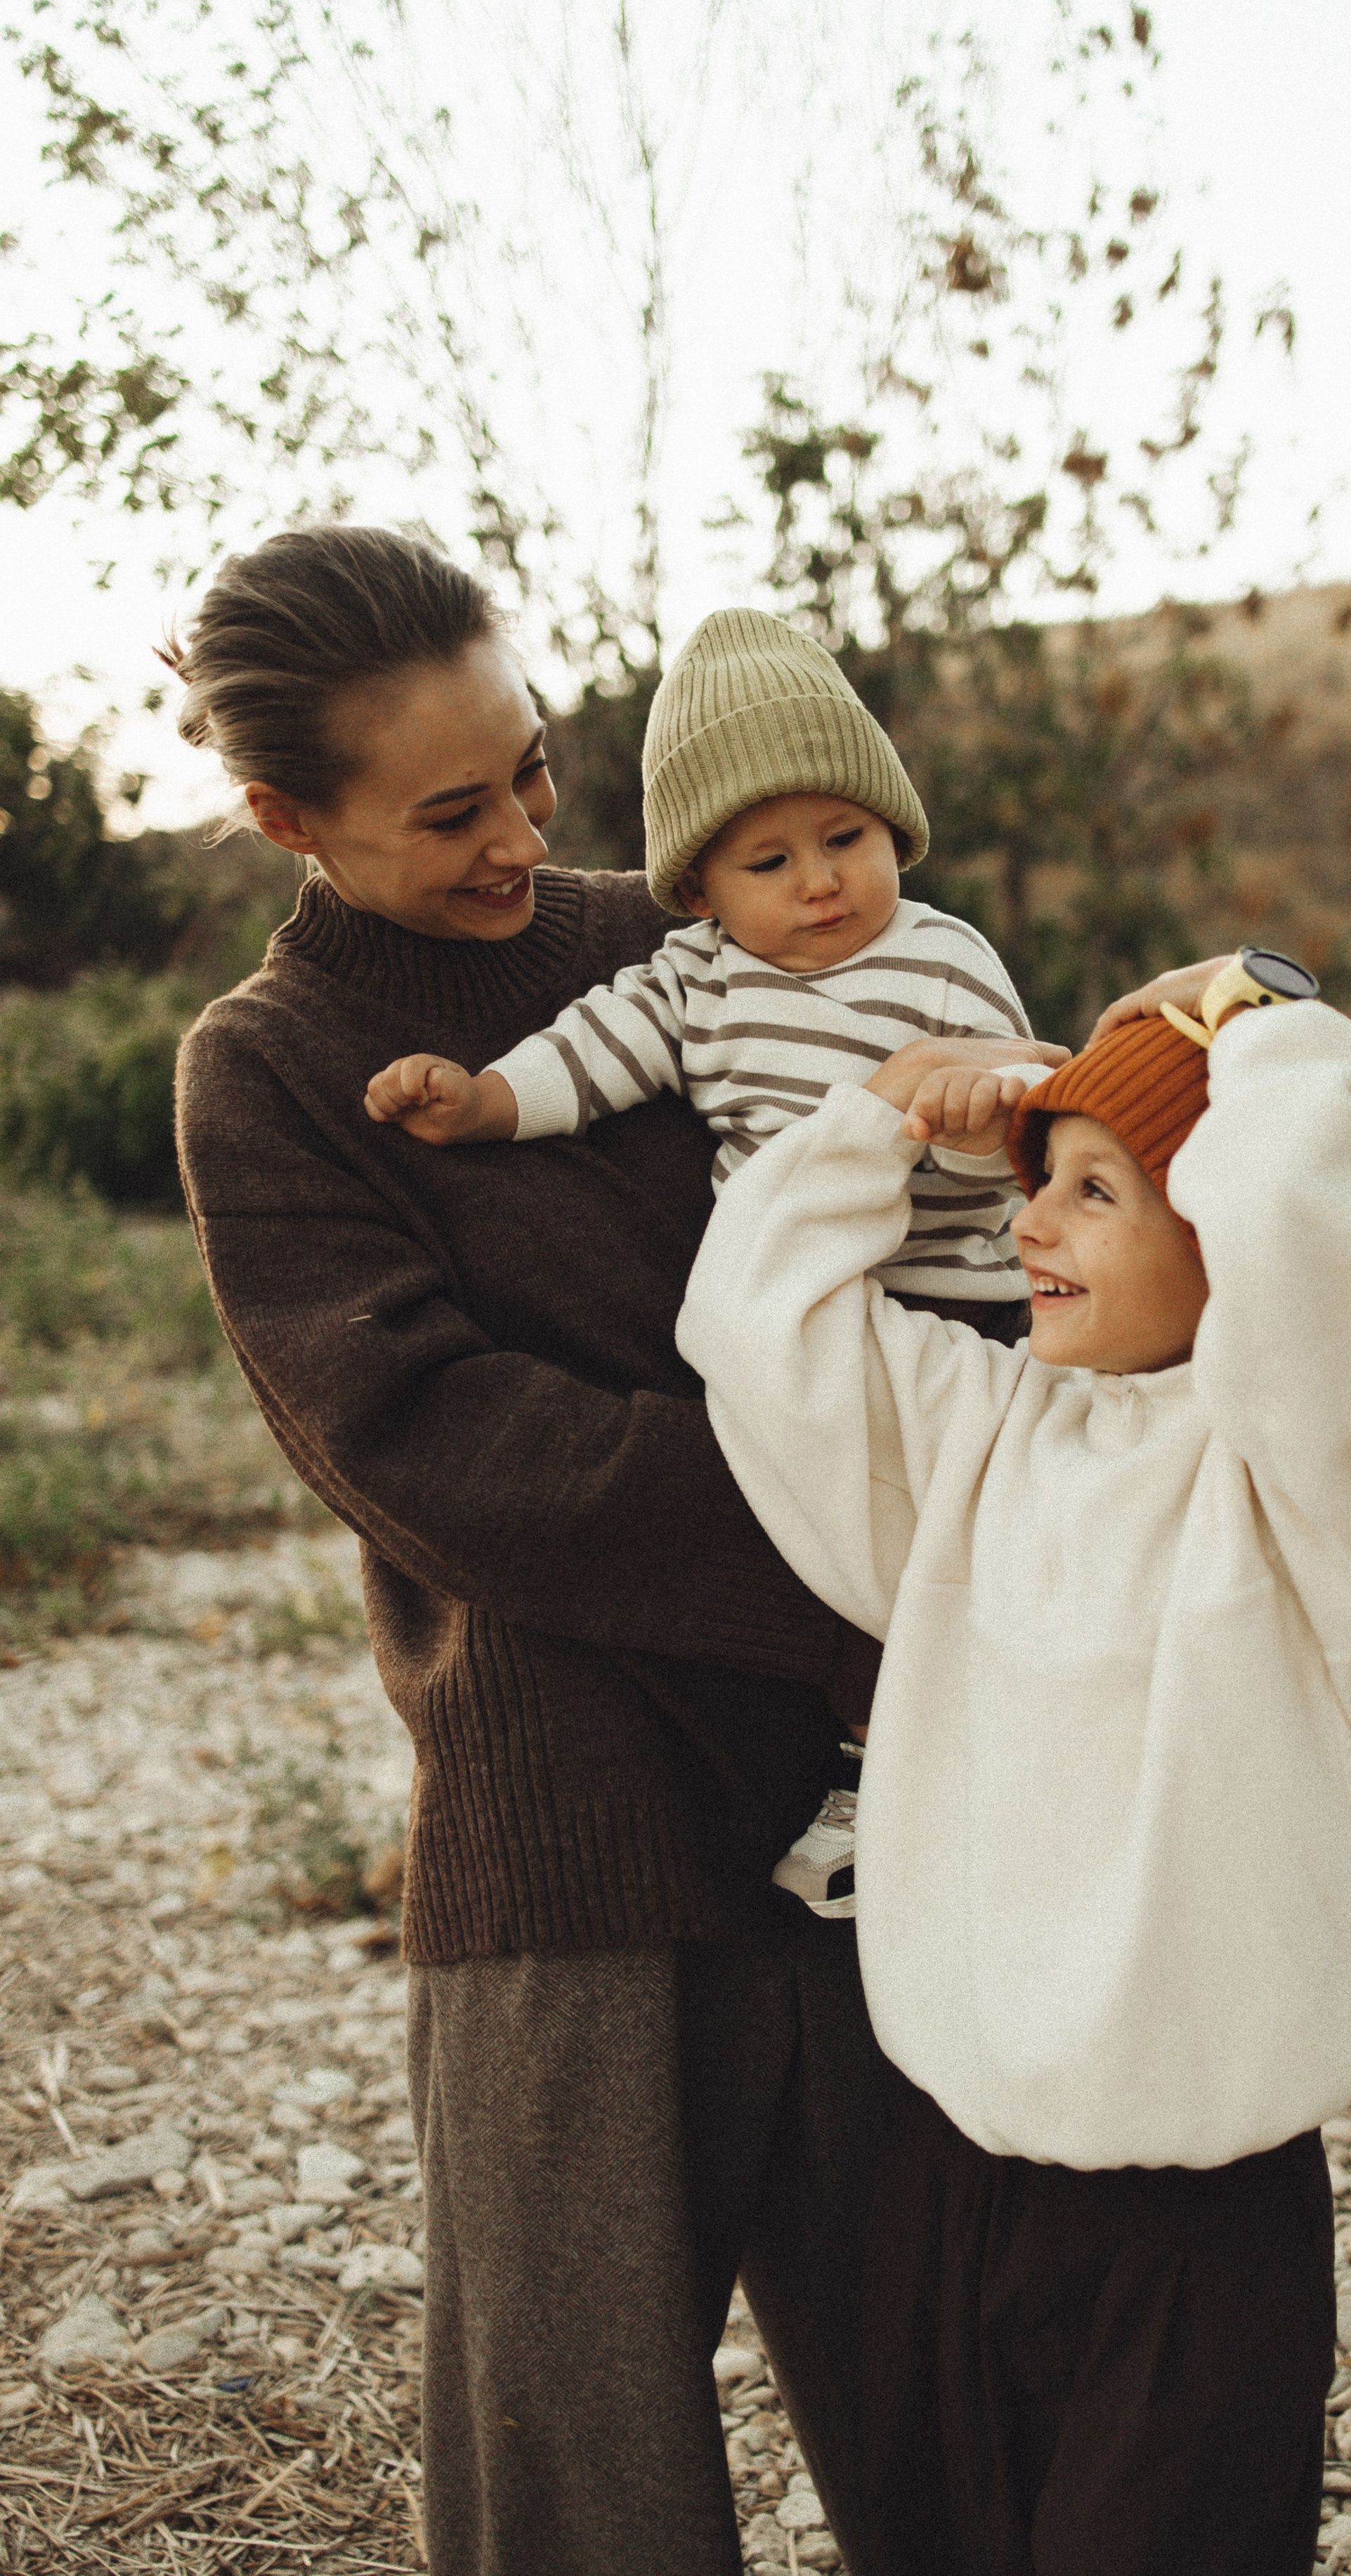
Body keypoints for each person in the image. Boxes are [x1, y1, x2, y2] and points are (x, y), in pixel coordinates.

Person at [168, 523, 1061, 2576]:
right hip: (572, 1833)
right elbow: (435, 1446)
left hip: (879, 1785)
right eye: (451, 811)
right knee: (584, 2495)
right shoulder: (269, 1072)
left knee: (964, 2431)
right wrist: (872, 1533)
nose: (522, 840)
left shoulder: (700, 934)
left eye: (539, 772)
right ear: (281, 817)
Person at [677, 956, 1351, 2575]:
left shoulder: (1306, 1489)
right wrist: (882, 1110)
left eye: (1094, 1193)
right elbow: (749, 1320)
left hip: (1201, 2215)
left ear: (1222, 1234)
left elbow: (1327, 1261)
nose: (1028, 1229)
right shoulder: (982, 1439)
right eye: (1032, 1186)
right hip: (952, 2170)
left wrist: (1253, 1019)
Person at [361, 603, 1040, 1914]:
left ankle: (955, 1776)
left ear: (893, 828)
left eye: (845, 839)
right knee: (840, 1559)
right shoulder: (695, 979)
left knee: (956, 1545)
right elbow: (592, 1057)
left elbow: (1017, 1125)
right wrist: (484, 1101)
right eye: (768, 861)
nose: (821, 883)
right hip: (788, 1323)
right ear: (701, 889)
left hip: (955, 1310)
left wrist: (972, 1126)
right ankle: (876, 1785)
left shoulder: (946, 958)